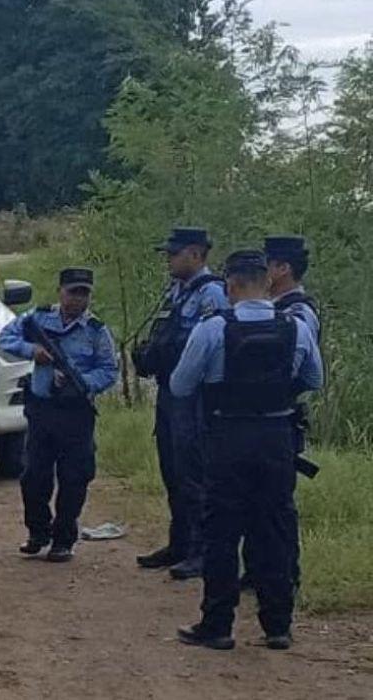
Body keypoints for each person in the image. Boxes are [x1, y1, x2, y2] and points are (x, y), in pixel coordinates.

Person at [170, 250, 323, 651]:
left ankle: (218, 625)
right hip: (277, 437)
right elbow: (315, 379)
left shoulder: (212, 328)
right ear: (265, 282)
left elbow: (181, 386)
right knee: (273, 528)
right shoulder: (296, 326)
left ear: (231, 284)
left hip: (227, 437)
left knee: (221, 531)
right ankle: (278, 626)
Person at [0, 268, 119, 563]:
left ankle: (64, 539)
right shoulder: (37, 319)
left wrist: (82, 382)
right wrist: (32, 351)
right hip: (42, 409)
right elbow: (5, 337)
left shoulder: (96, 331)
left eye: (84, 293)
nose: (78, 299)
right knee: (34, 475)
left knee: (74, 477)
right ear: (60, 292)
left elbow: (109, 370)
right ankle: (38, 532)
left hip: (76, 412)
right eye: (73, 292)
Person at [133, 227, 229, 580]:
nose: (169, 260)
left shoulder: (213, 294)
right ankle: (180, 543)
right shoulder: (177, 290)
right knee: (172, 470)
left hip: (196, 396)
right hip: (171, 391)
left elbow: (208, 347)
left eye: (173, 254)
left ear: (195, 254)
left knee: (194, 474)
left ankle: (201, 550)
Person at [239, 235, 324, 590]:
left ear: (283, 268)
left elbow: (307, 375)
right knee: (253, 502)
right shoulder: (275, 310)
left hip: (280, 417)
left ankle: (286, 574)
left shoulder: (298, 313)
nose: (263, 272)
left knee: (277, 507)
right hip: (258, 419)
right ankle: (258, 570)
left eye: (268, 265)